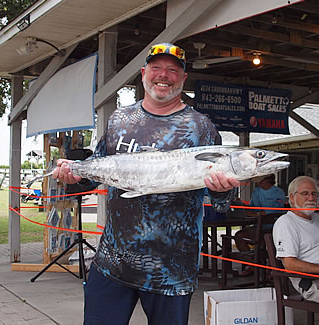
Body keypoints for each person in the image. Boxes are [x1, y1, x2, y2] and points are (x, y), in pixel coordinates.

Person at [52, 42, 239, 324]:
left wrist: (222, 190)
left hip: (171, 268)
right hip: (113, 261)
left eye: (172, 70)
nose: (163, 75)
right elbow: (94, 171)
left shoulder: (201, 127)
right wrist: (73, 175)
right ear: (143, 73)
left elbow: (223, 202)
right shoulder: (119, 120)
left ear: (183, 78)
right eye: (156, 68)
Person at [273, 176, 319, 303]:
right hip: (312, 282)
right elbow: (290, 264)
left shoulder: (317, 218)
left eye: (314, 194)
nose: (311, 198)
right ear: (292, 198)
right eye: (305, 194)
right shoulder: (286, 223)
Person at [234, 174, 286, 276]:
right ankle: (253, 264)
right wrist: (242, 205)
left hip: (274, 229)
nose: (258, 183)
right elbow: (252, 207)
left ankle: (272, 269)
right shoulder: (256, 191)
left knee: (270, 242)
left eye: (260, 181)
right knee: (239, 236)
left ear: (268, 180)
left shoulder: (279, 192)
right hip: (258, 227)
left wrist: (258, 214)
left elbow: (277, 210)